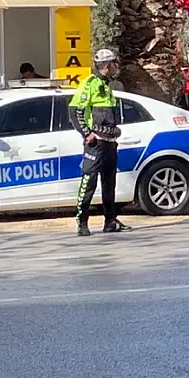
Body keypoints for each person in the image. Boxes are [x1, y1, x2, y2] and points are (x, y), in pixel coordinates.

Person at [69, 49, 130, 237]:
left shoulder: (108, 85)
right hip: (96, 143)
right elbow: (75, 111)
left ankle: (110, 220)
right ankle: (82, 221)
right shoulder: (89, 84)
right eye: (114, 63)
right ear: (106, 65)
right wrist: (87, 134)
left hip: (111, 141)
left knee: (109, 182)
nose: (116, 67)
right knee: (89, 181)